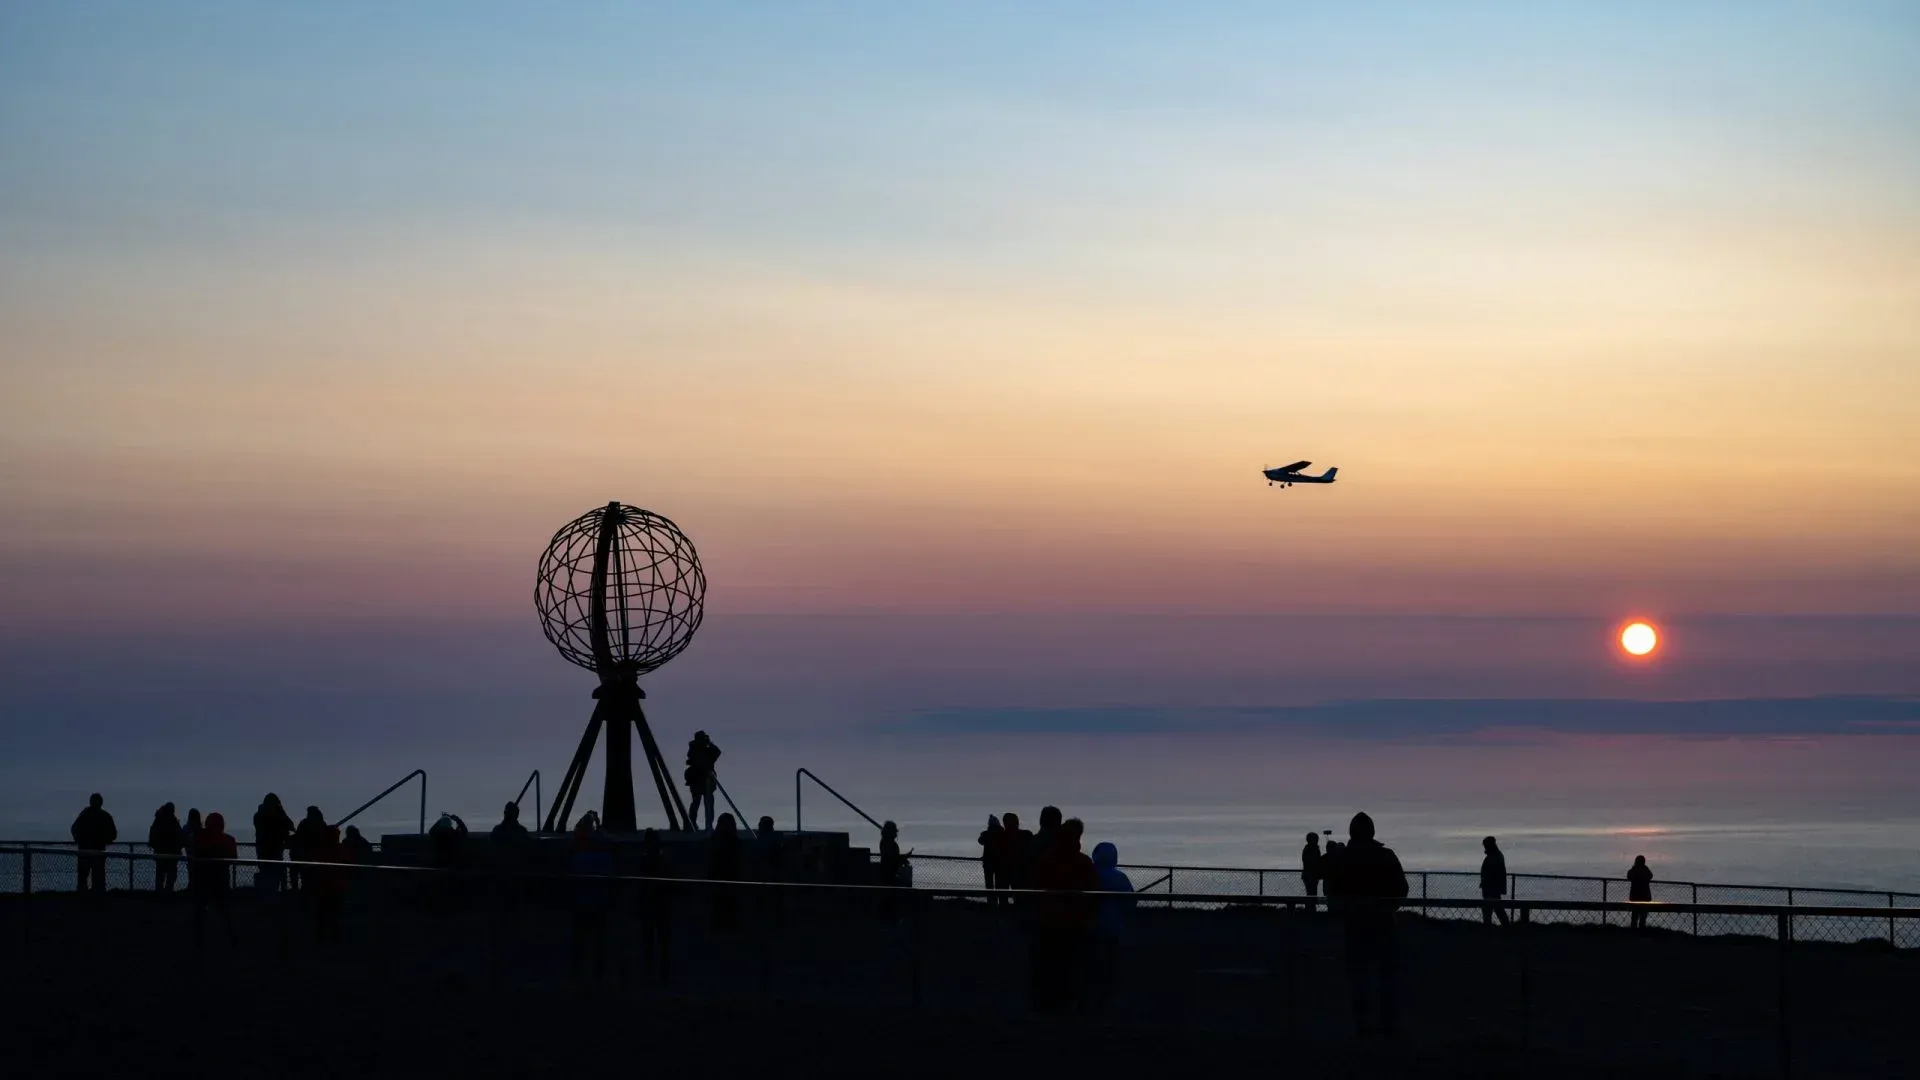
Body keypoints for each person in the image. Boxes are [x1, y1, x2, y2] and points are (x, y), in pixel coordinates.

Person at [1326, 811, 1409, 1038]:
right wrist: (1388, 906)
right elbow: (1402, 889)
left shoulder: (1343, 859)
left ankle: (1362, 1024)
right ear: (1373, 832)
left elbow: (1331, 890)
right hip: (1384, 922)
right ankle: (1388, 1024)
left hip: (1354, 924)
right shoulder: (1386, 855)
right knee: (1387, 974)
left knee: (1358, 975)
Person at [1031, 817, 1099, 1015]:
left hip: (1050, 921)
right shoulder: (1083, 862)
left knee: (1051, 965)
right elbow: (1093, 892)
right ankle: (1073, 1003)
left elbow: (1036, 884)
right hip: (1076, 923)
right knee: (1074, 966)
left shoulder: (1046, 859)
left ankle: (1049, 1002)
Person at [1090, 840, 1135, 1010]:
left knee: (1092, 956)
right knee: (1110, 957)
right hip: (1113, 924)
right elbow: (1130, 901)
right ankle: (1107, 989)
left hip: (1090, 923)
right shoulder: (1119, 877)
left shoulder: (1089, 873)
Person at [568, 818, 614, 981]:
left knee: (580, 939)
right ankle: (598, 971)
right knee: (599, 940)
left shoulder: (579, 858)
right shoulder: (605, 859)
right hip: (599, 903)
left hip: (582, 902)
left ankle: (578, 970)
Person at [190, 811, 239, 948]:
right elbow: (233, 858)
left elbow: (194, 854)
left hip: (203, 879)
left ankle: (197, 938)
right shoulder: (229, 840)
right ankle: (232, 937)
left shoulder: (199, 838)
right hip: (221, 879)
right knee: (224, 910)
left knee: (200, 907)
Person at [636, 827, 673, 984]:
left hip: (649, 905)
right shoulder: (664, 862)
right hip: (662, 905)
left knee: (649, 941)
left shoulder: (644, 862)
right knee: (663, 942)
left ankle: (649, 971)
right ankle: (664, 973)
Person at [71, 793, 117, 894]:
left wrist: (78, 839)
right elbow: (113, 834)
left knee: (83, 877)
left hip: (84, 850)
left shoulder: (84, 814)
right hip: (99, 851)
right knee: (98, 877)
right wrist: (106, 840)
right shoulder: (105, 816)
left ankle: (82, 898)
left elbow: (74, 828)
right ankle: (98, 898)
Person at [253, 794, 295, 894]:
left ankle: (269, 897)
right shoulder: (278, 815)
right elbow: (291, 826)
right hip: (274, 851)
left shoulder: (258, 815)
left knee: (268, 876)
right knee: (276, 875)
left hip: (263, 851)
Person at [708, 812, 742, 931]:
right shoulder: (736, 843)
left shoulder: (713, 842)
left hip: (719, 879)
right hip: (730, 879)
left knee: (719, 906)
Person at [683, 731, 721, 832]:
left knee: (708, 803)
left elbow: (717, 752)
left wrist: (709, 744)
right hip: (697, 778)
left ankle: (707, 825)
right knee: (696, 802)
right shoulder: (694, 750)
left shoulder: (707, 750)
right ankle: (691, 824)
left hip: (706, 779)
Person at [149, 803, 185, 894]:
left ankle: (160, 893)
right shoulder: (173, 821)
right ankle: (167, 893)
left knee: (161, 875)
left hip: (161, 852)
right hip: (172, 853)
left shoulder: (158, 820)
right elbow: (179, 835)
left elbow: (153, 834)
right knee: (170, 875)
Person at [290, 805, 327, 892]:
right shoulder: (322, 824)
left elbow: (299, 836)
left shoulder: (304, 823)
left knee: (300, 873)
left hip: (304, 854)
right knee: (310, 876)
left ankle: (298, 890)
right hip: (316, 855)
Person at [1480, 836, 1510, 927]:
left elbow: (1492, 873)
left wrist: (1486, 882)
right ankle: (1506, 926)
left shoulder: (1494, 856)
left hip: (1491, 887)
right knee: (1496, 908)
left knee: (1491, 908)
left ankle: (1490, 927)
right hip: (1492, 887)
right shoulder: (1496, 855)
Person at [979, 815, 1004, 896]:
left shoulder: (986, 834)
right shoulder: (1002, 833)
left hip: (988, 863)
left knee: (989, 886)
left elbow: (980, 841)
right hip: (1000, 863)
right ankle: (1002, 903)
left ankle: (991, 903)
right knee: (1000, 886)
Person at [1627, 855, 1654, 930]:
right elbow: (1651, 876)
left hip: (1635, 897)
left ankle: (1634, 931)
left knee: (1635, 916)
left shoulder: (1634, 870)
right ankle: (1641, 931)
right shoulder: (1645, 870)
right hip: (1645, 897)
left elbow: (1629, 876)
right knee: (1643, 917)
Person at [1300, 832, 1324, 913]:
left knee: (1311, 893)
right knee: (1311, 893)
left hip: (1309, 875)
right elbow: (1313, 862)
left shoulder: (1309, 849)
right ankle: (1311, 910)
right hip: (1310, 875)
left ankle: (1310, 909)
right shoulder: (1312, 849)